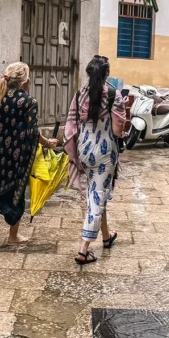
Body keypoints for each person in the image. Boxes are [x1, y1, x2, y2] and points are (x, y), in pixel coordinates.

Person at [0, 61, 57, 249]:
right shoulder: (29, 102)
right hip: (18, 157)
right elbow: (33, 132)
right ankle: (13, 236)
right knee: (16, 194)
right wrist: (48, 143)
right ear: (25, 81)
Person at [63, 55, 129, 265]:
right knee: (97, 197)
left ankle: (107, 237)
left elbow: (71, 125)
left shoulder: (80, 94)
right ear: (107, 73)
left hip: (84, 150)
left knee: (97, 191)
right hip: (104, 152)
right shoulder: (113, 94)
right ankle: (84, 249)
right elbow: (118, 130)